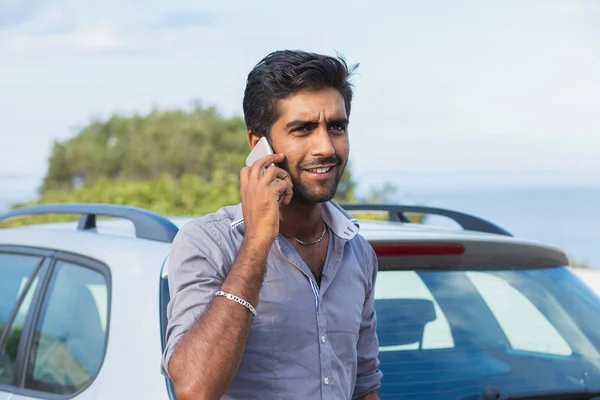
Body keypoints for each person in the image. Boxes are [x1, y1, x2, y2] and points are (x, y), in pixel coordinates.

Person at [161, 50, 382, 400]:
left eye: (336, 127)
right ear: (258, 145)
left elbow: (363, 386)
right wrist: (257, 242)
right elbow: (195, 388)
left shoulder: (357, 251)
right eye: (303, 129)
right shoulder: (207, 243)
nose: (325, 147)